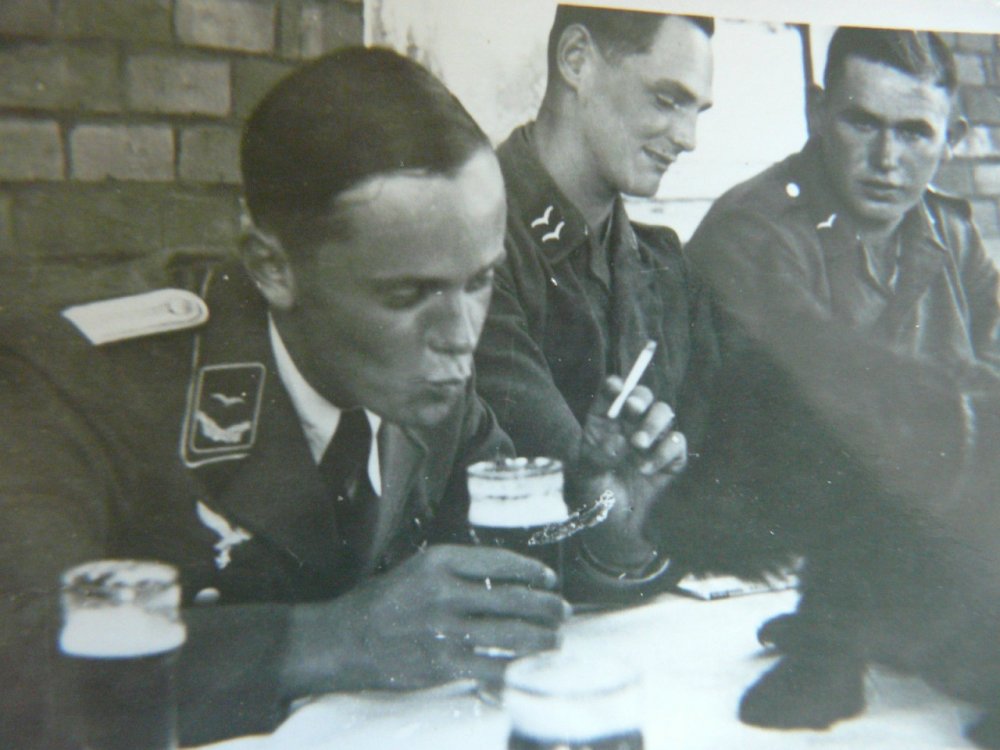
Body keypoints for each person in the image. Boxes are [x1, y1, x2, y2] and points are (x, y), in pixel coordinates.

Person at [0, 47, 682, 749]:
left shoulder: (427, 383)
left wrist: (604, 515)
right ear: (272, 267)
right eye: (407, 294)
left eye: (480, 281)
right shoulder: (87, 383)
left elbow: (498, 587)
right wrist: (328, 639)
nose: (460, 336)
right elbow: (17, 658)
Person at [685, 27, 1000, 744]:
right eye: (864, 123)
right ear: (817, 112)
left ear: (951, 138)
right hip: (762, 582)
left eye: (916, 133)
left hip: (919, 574)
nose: (888, 160)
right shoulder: (756, 234)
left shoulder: (951, 234)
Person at [474, 5, 724, 591]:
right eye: (667, 100)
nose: (688, 139)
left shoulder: (665, 268)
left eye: (697, 111)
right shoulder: (472, 246)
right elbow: (546, 504)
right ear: (576, 59)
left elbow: (720, 482)